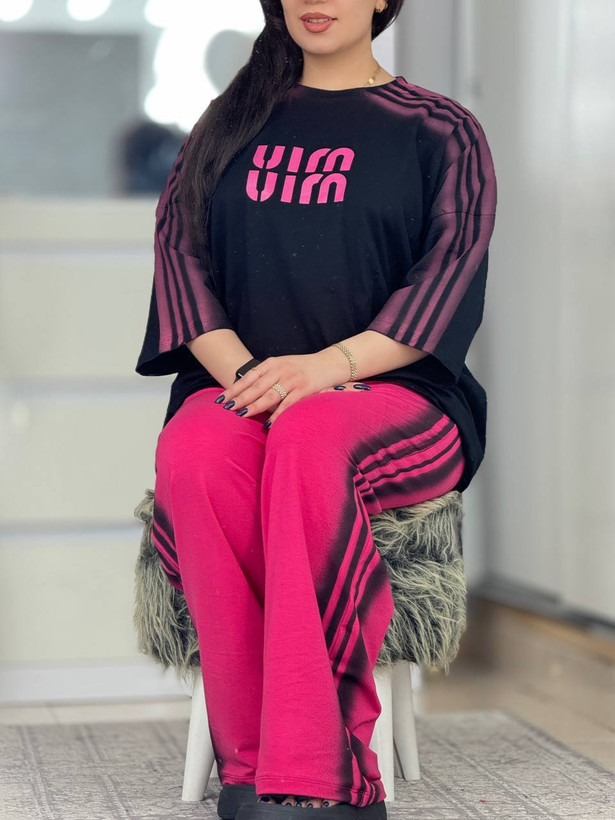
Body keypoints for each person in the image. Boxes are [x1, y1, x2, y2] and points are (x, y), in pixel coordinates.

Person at [134, 1, 497, 817]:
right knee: (196, 453)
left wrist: (323, 371)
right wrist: (255, 379)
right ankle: (250, 768)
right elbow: (180, 267)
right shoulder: (223, 126)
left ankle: (320, 772)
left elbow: (445, 280)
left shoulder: (441, 131)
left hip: (397, 399)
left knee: (311, 432)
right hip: (240, 386)